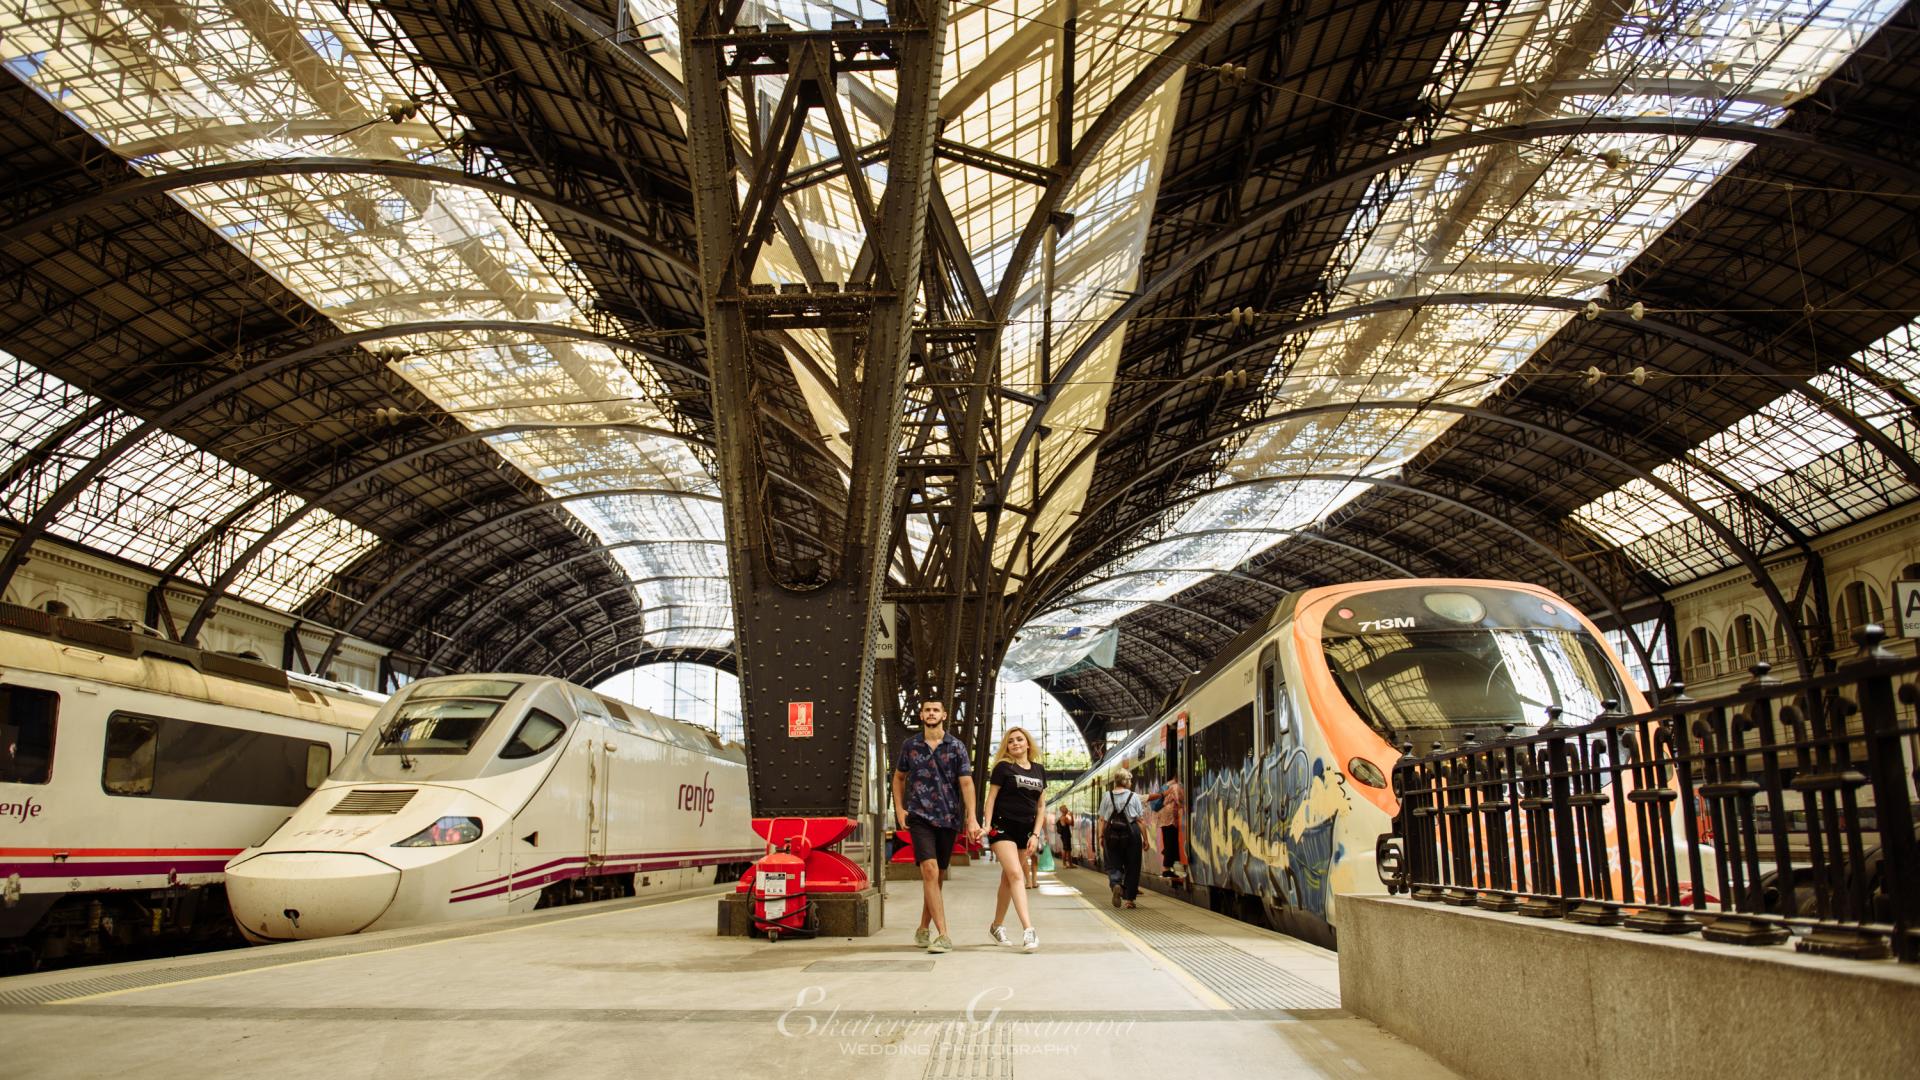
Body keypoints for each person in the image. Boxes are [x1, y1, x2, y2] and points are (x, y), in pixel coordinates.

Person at [891, 699, 979, 954]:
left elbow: (966, 783)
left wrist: (972, 817)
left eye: (935, 710)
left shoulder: (956, 747)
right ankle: (943, 935)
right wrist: (899, 809)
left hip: (948, 817)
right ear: (921, 715)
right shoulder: (911, 746)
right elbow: (898, 778)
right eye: (927, 710)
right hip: (919, 816)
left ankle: (923, 927)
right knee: (929, 870)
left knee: (937, 877)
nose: (931, 713)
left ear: (944, 715)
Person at [982, 727, 1047, 952]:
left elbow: (1041, 806)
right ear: (1007, 747)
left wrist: (1036, 835)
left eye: (1020, 739)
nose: (1015, 743)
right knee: (1017, 874)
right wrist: (987, 824)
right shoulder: (1003, 767)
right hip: (1002, 827)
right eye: (1011, 741)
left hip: (1025, 830)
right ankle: (1029, 930)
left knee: (1008, 879)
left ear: (1028, 743)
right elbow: (991, 798)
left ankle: (996, 926)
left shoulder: (1039, 770)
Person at [1097, 770, 1147, 908]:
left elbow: (1102, 819)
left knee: (1113, 863)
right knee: (1133, 865)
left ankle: (1116, 884)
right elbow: (1140, 820)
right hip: (1131, 832)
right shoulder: (1134, 796)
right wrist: (1146, 839)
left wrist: (1101, 836)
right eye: (1130, 780)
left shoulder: (1107, 796)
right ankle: (1129, 900)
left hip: (1111, 832)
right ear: (1127, 781)